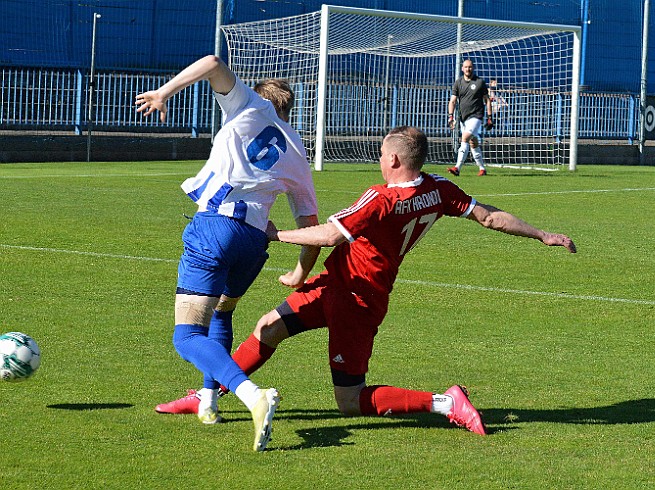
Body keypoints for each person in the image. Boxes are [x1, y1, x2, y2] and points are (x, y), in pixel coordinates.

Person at [158, 126, 577, 438]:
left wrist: (275, 234)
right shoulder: (440, 188)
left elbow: (326, 235)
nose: (379, 159)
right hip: (336, 283)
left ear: (394, 160)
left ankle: (445, 401)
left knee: (350, 401)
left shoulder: (382, 199)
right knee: (268, 327)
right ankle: (208, 393)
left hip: (358, 299)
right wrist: (543, 234)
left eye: (381, 153)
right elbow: (489, 216)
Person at [135, 55, 320, 452]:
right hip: (253, 245)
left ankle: (252, 395)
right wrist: (300, 273)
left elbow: (213, 62)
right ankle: (208, 401)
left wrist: (164, 92)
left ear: (259, 96)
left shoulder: (250, 106)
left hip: (214, 229)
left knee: (186, 338)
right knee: (223, 310)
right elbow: (311, 224)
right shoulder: (296, 148)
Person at [447, 59, 493, 177]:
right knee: (473, 142)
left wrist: (489, 117)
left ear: (473, 68)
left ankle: (457, 168)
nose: (468, 69)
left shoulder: (479, 82)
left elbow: (487, 100)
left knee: (465, 137)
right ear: (462, 68)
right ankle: (482, 168)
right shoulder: (458, 83)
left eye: (470, 67)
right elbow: (452, 101)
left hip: (476, 116)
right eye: (466, 67)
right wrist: (451, 117)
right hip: (463, 117)